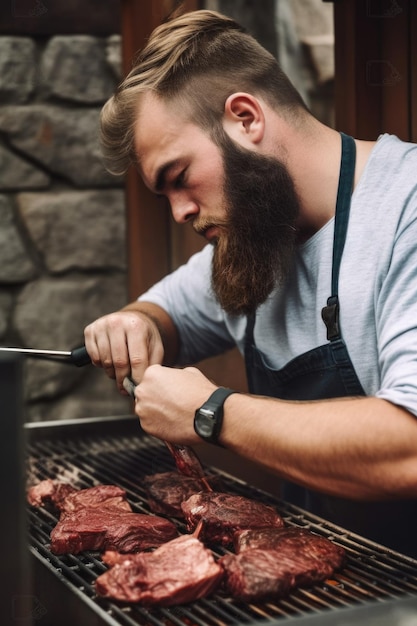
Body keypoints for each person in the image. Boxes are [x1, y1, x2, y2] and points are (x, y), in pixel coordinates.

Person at [84, 9, 417, 556]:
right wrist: (135, 324)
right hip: (320, 584)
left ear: (245, 118)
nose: (179, 212)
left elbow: (408, 445)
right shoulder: (258, 235)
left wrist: (211, 412)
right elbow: (165, 310)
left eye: (179, 177)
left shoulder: (402, 210)